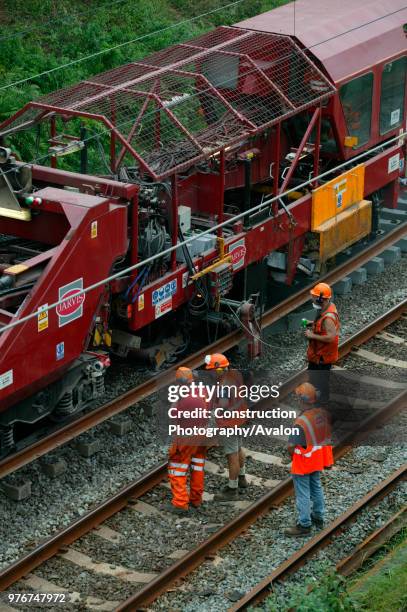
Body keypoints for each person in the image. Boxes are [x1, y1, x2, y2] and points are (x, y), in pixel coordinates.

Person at [285, 382, 334, 536]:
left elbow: (291, 446)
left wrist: (293, 455)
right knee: (316, 487)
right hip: (317, 459)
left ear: (302, 400)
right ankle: (318, 517)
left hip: (303, 463)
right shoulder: (322, 414)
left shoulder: (301, 422)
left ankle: (304, 525)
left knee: (303, 494)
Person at [204, 353, 249, 501]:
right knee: (238, 448)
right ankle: (242, 478)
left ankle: (232, 489)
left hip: (229, 423)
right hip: (241, 418)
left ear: (218, 370)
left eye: (211, 370)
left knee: (232, 455)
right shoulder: (235, 374)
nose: (210, 373)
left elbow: (222, 406)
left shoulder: (223, 386)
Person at [167, 367, 208, 514]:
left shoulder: (184, 397)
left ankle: (180, 503)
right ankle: (196, 499)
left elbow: (173, 416)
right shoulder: (202, 391)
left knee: (177, 467)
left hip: (186, 436)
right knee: (197, 465)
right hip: (202, 435)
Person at [304, 282, 340, 404]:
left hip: (322, 357)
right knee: (315, 378)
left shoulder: (328, 318)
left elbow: (331, 337)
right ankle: (317, 396)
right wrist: (312, 324)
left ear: (321, 299)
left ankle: (322, 401)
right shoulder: (327, 308)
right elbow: (322, 326)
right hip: (318, 355)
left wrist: (311, 335)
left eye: (314, 297)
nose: (312, 300)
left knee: (320, 381)